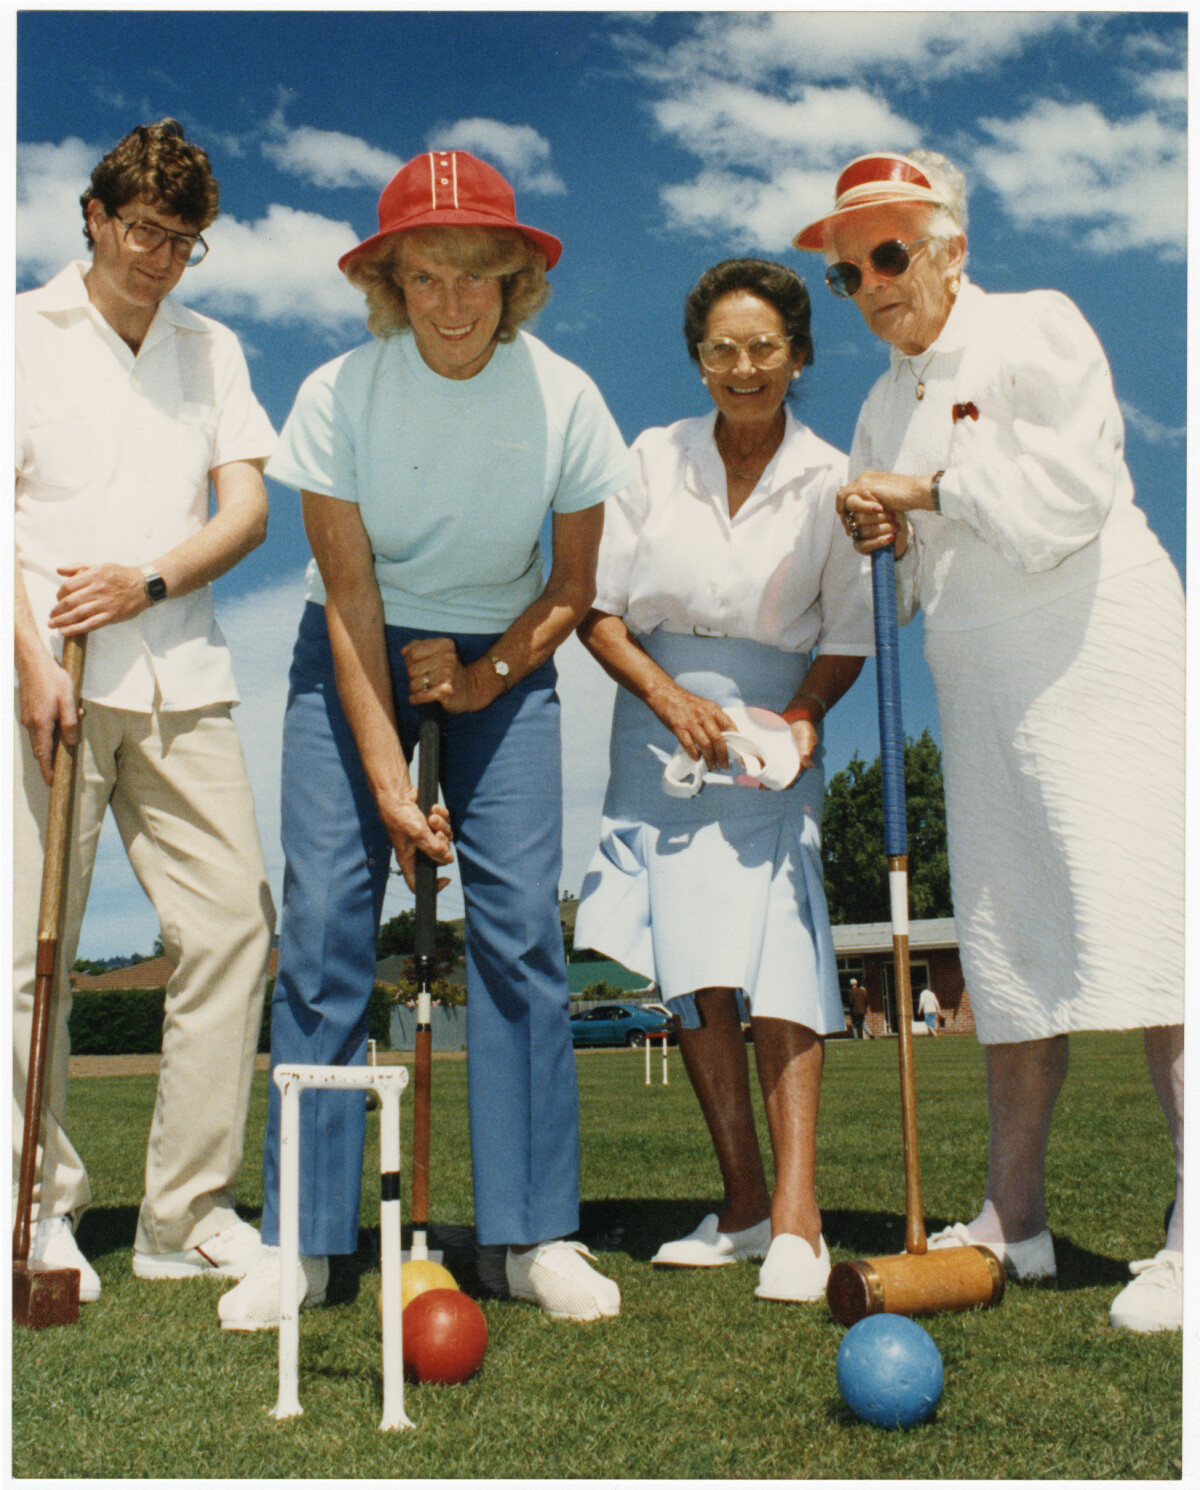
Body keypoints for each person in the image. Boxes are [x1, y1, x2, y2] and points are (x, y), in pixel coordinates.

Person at [217, 151, 632, 1329]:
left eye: (477, 274)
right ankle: (302, 1241)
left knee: (519, 931)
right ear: (389, 284)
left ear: (516, 280)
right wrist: (390, 779)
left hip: (506, 651)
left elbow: (571, 587)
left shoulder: (568, 400)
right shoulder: (337, 395)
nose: (454, 302)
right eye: (426, 276)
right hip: (352, 650)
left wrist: (485, 675)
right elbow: (350, 598)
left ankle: (530, 1233)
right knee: (327, 922)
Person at [797, 150, 1184, 1331]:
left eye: (890, 254)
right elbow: (909, 585)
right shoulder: (881, 404)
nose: (871, 283)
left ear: (953, 250)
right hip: (980, 683)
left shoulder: (1035, 327)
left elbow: (1067, 494)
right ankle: (1015, 1215)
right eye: (847, 271)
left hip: (1096, 653)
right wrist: (882, 534)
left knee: (1162, 932)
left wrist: (919, 493)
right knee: (1009, 945)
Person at [574, 259, 872, 1303]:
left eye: (764, 348)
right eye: (721, 350)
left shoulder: (834, 477)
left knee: (782, 949)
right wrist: (670, 702)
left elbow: (848, 635)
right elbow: (596, 610)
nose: (743, 368)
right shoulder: (651, 457)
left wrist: (800, 716)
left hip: (771, 732)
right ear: (698, 359)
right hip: (656, 724)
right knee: (694, 964)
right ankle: (742, 1205)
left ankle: (798, 1218)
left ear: (799, 354)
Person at [14, 119, 276, 1299]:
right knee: (28, 957)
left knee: (233, 926)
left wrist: (150, 580)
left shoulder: (212, 348)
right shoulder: (20, 333)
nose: (160, 258)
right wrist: (30, 661)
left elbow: (246, 509)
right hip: (48, 682)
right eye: (142, 231)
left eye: (183, 240)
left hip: (184, 676)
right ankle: (37, 1210)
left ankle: (187, 1213)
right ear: (95, 217)